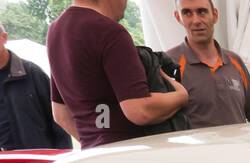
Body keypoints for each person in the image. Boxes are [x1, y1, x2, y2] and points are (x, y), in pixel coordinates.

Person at [48, 0, 188, 148]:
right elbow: (139, 110)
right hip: (128, 157)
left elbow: (61, 114)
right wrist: (181, 95)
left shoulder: (55, 31)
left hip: (92, 156)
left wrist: (97, 140)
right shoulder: (110, 31)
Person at [0, 11, 70, 152]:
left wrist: (61, 157)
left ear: (4, 37)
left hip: (34, 160)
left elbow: (58, 119)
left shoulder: (32, 72)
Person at [170, 1, 250, 128]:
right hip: (195, 148)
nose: (196, 20)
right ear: (178, 17)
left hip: (240, 147)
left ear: (215, 15)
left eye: (202, 11)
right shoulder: (169, 64)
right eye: (187, 13)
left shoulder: (235, 61)